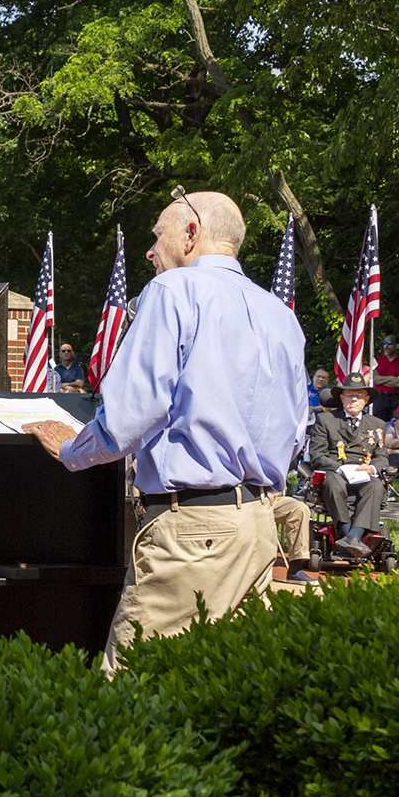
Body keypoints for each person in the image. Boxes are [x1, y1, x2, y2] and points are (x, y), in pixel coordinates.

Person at [23, 189, 306, 673]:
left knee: (131, 687)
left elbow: (130, 418)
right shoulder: (281, 315)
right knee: (219, 689)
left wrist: (71, 448)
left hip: (192, 533)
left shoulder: (173, 291)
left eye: (157, 237)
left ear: (192, 234)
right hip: (260, 527)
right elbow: (296, 430)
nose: (150, 252)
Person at [309, 373, 390, 559]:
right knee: (333, 481)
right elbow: (317, 455)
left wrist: (373, 469)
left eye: (359, 395)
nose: (354, 399)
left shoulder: (376, 424)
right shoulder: (326, 420)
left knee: (376, 485)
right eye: (349, 395)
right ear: (341, 397)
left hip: (363, 473)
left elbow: (382, 457)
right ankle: (351, 535)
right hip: (336, 471)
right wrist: (340, 468)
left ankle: (351, 538)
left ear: (367, 399)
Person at [370, 335, 399, 421]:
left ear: (397, 345)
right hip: (379, 397)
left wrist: (381, 379)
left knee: (395, 424)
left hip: (396, 398)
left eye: (390, 343)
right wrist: (393, 378)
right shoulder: (377, 361)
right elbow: (374, 379)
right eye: (384, 343)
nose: (386, 346)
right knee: (378, 425)